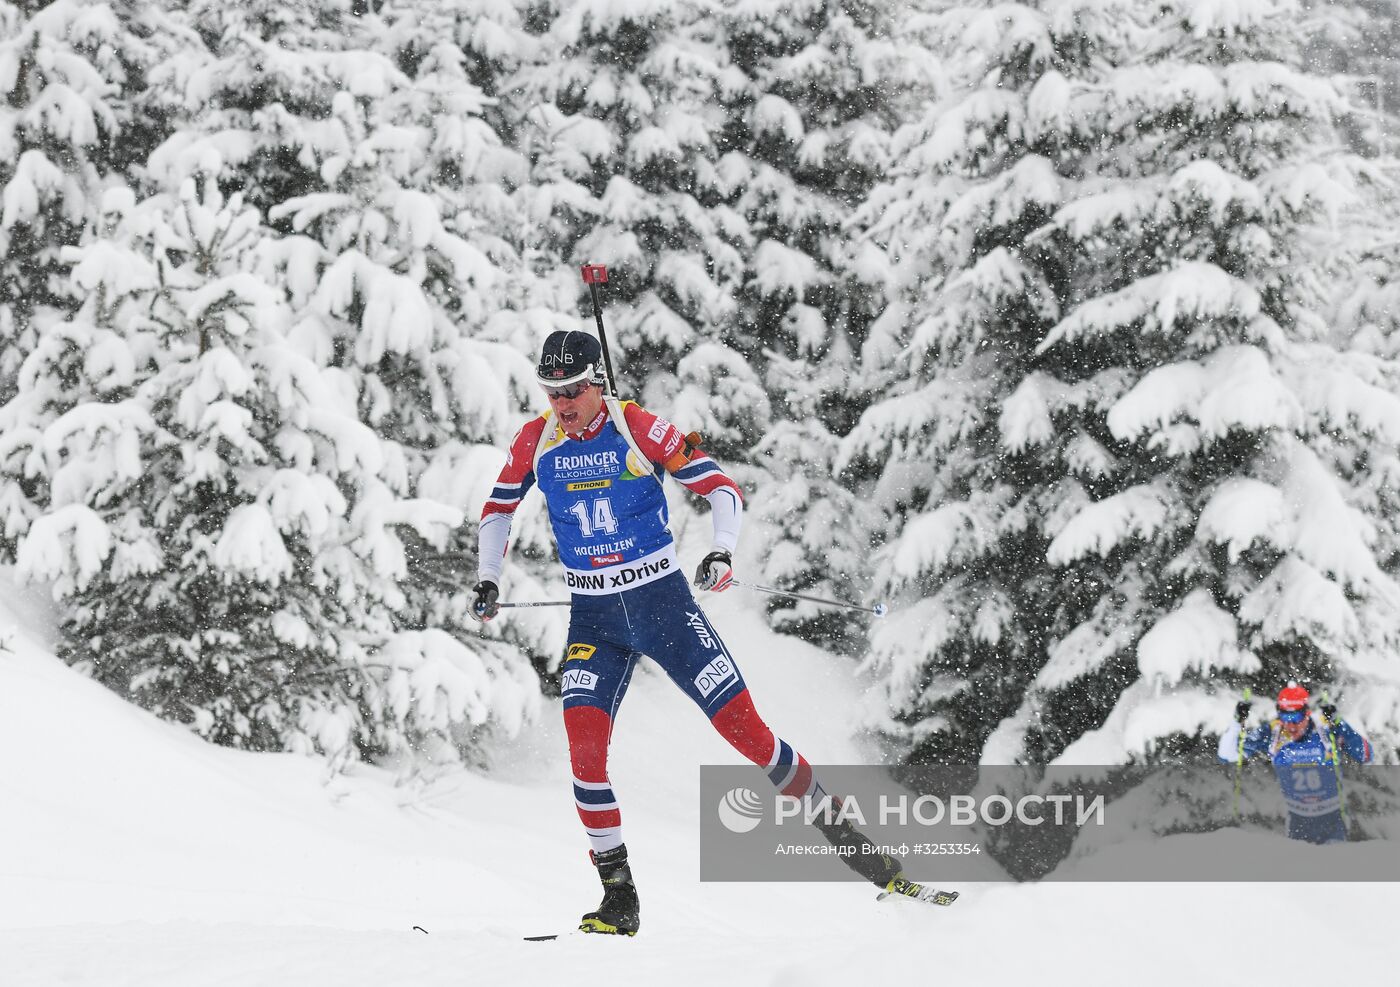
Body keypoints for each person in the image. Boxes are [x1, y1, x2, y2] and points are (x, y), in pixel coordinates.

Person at [469, 329, 901, 936]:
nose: (562, 404)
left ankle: (859, 849)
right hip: (594, 622)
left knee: (749, 737)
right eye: (552, 392)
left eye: (572, 391)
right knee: (585, 755)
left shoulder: (636, 426)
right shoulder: (538, 439)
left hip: (665, 610)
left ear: (598, 384)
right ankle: (620, 899)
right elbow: (498, 509)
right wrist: (489, 578)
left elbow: (721, 488)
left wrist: (722, 553)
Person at [1218, 682, 1373, 844]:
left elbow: (1366, 755)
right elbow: (1226, 756)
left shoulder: (1325, 729)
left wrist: (1340, 723)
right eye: (1285, 718)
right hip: (1298, 821)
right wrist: (1237, 721)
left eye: (1296, 718)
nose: (1291, 725)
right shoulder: (1273, 732)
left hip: (1332, 819)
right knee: (1298, 867)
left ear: (1306, 713)